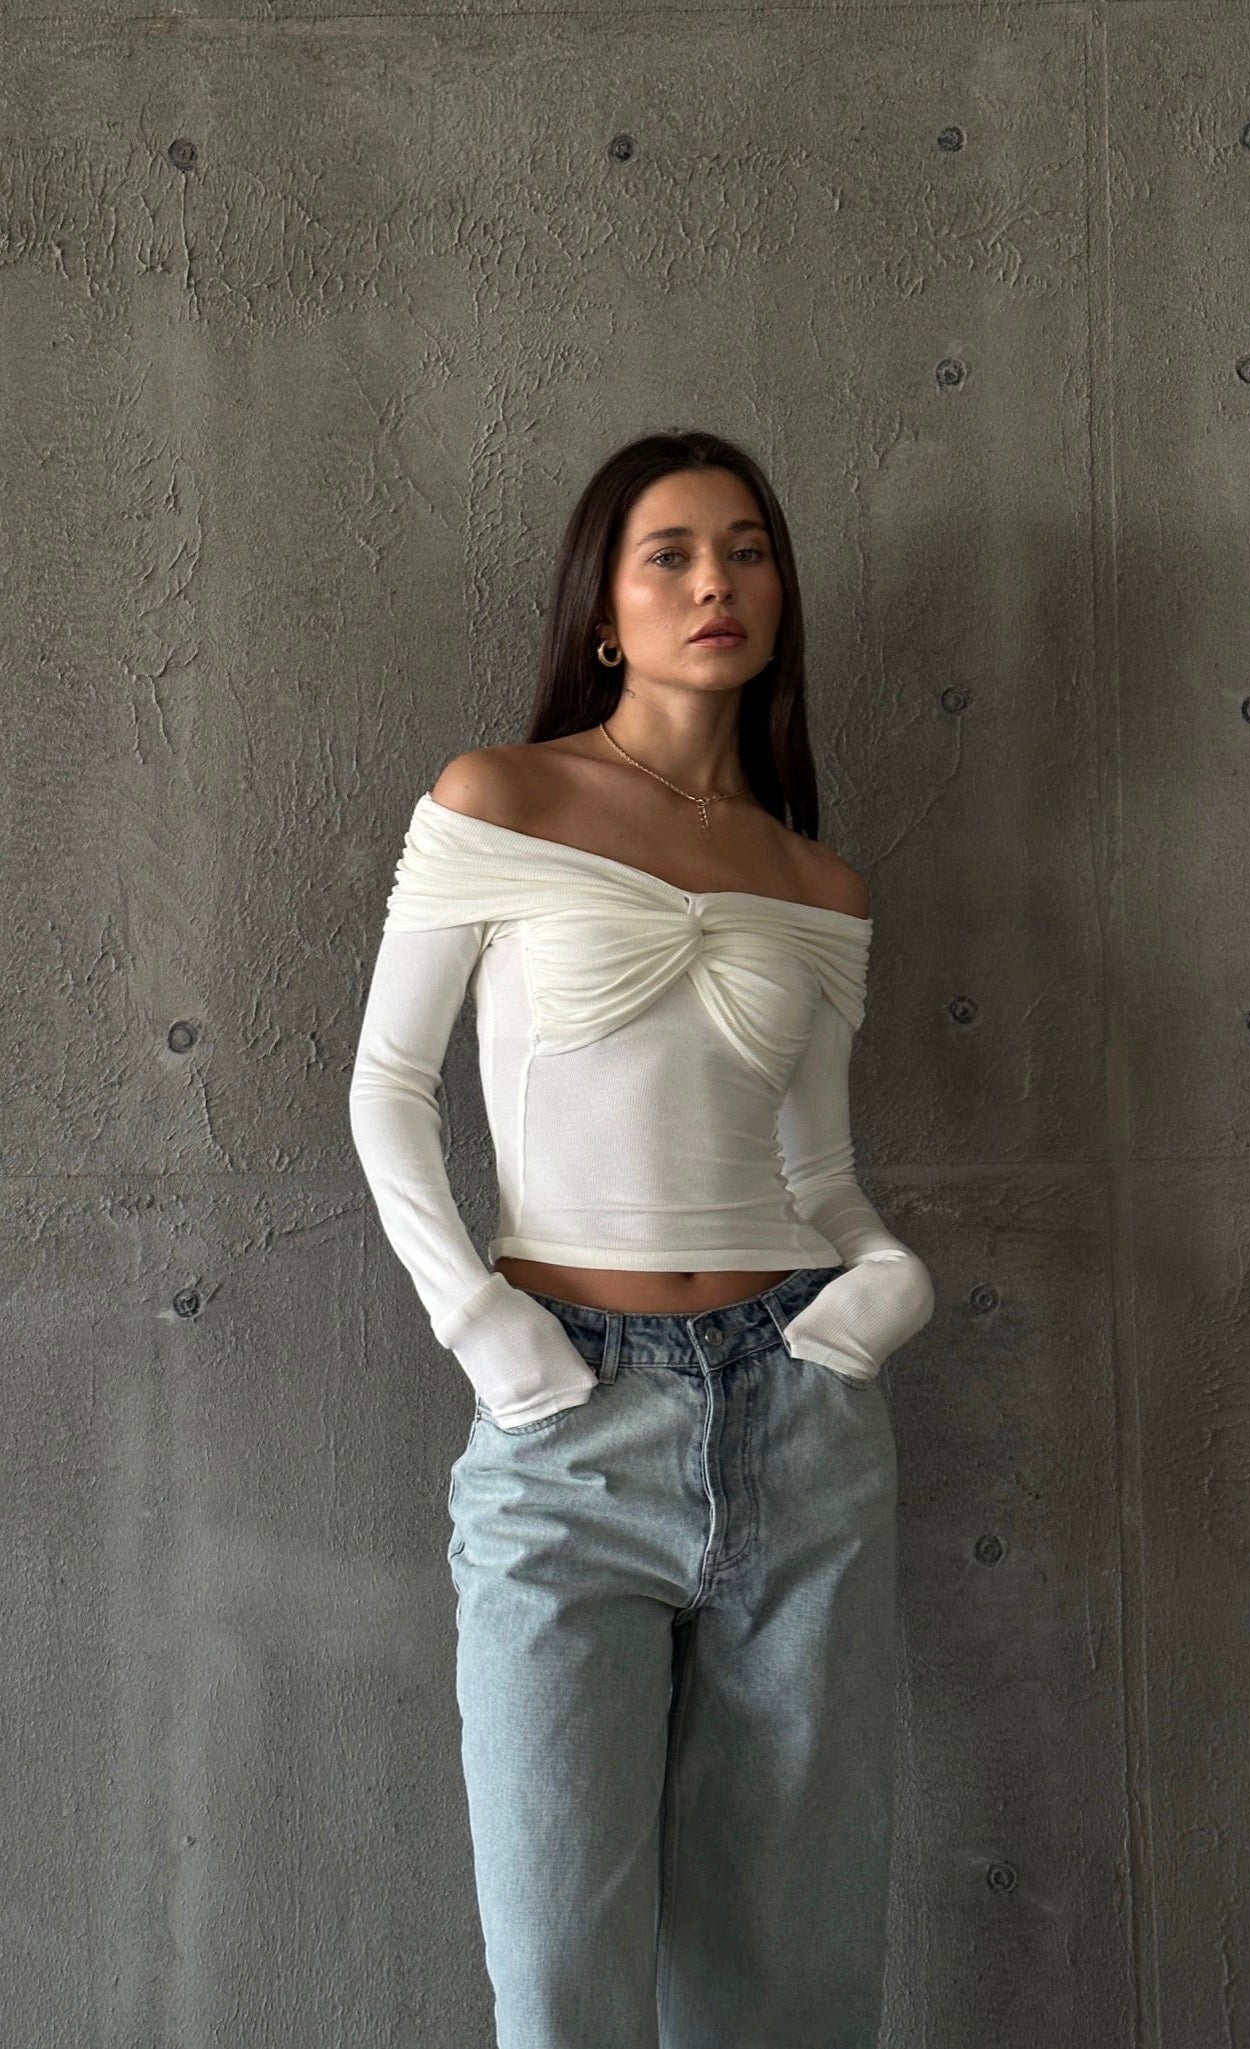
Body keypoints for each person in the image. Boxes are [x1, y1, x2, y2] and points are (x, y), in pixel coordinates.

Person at [348, 429, 936, 2049]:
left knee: (790, 1980)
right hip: (567, 1425)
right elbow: (387, 1089)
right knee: (559, 1981)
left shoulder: (814, 879)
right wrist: (482, 1325)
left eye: (745, 550)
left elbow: (816, 1165)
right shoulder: (501, 797)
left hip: (803, 1417)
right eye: (668, 553)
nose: (714, 583)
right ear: (604, 607)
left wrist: (884, 1280)